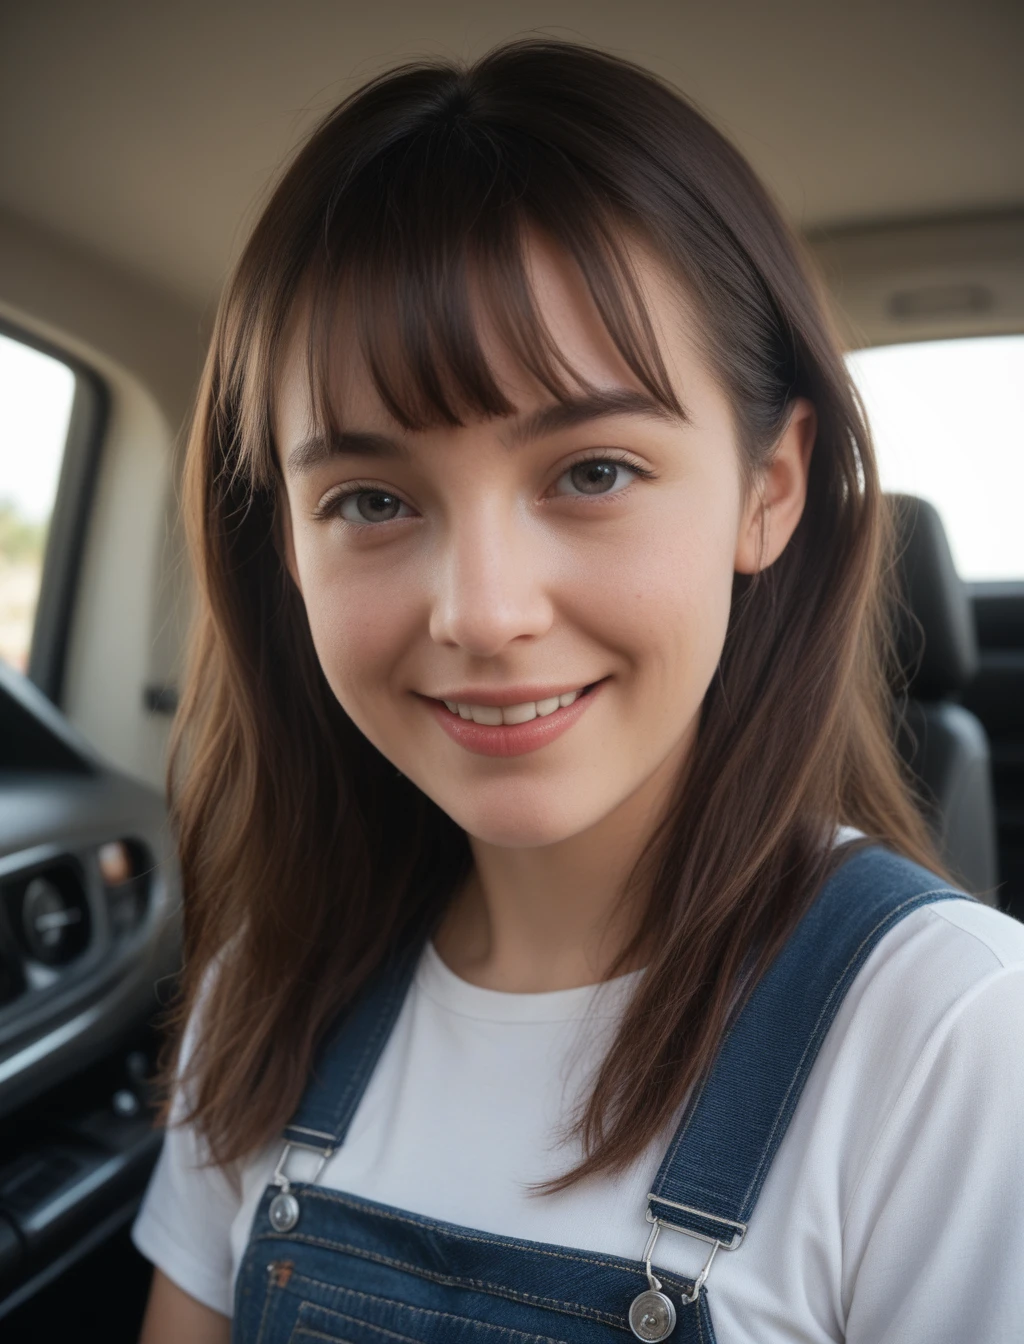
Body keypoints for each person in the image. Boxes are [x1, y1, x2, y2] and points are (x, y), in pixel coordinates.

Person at [132, 37, 1024, 1344]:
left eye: (592, 471)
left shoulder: (960, 1038)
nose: (484, 611)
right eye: (371, 500)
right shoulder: (263, 993)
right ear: (287, 547)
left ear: (768, 489)